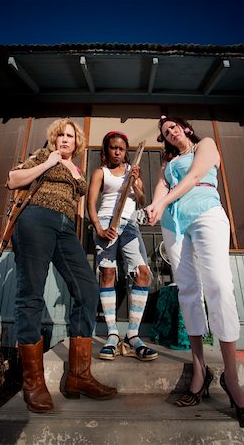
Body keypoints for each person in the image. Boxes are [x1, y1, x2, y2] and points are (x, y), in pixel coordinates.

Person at [146, 115, 244, 432]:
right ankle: (199, 370)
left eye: (172, 127)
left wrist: (165, 199)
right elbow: (160, 190)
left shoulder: (205, 145)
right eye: (164, 132)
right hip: (174, 225)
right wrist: (154, 207)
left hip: (205, 213)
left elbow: (197, 174)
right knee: (187, 291)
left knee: (219, 287)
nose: (169, 133)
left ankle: (231, 378)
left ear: (184, 128)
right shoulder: (167, 166)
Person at [8, 118, 117, 413]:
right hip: (36, 220)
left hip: (66, 228)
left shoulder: (77, 169)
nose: (66, 140)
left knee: (87, 289)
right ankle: (33, 382)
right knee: (31, 294)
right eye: (62, 135)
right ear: (55, 139)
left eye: (71, 136)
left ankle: (78, 377)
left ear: (77, 142)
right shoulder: (44, 156)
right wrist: (49, 161)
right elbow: (13, 180)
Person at [87, 131, 159, 362]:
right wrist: (98, 228)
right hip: (107, 223)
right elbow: (90, 203)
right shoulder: (101, 172)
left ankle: (133, 335)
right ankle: (112, 334)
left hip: (128, 225)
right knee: (107, 273)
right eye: (113, 148)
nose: (117, 152)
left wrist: (135, 182)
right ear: (106, 150)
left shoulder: (132, 171)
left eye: (121, 148)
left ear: (126, 151)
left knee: (142, 273)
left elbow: (140, 200)